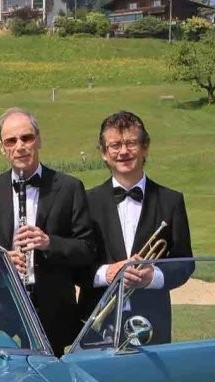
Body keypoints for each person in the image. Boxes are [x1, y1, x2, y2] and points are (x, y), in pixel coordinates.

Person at [0, 108, 97, 356]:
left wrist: (49, 243)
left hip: (51, 307)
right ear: (2, 148)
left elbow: (87, 249)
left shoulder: (69, 188)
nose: (20, 147)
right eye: (11, 141)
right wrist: (1, 260)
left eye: (26, 138)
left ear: (38, 140)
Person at [79, 111, 193, 345]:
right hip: (96, 324)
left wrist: (153, 277)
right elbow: (73, 263)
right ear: (104, 153)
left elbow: (185, 263)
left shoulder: (170, 201)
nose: (123, 151)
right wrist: (106, 273)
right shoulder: (85, 202)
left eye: (131, 143)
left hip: (152, 323)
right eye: (115, 145)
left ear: (145, 148)